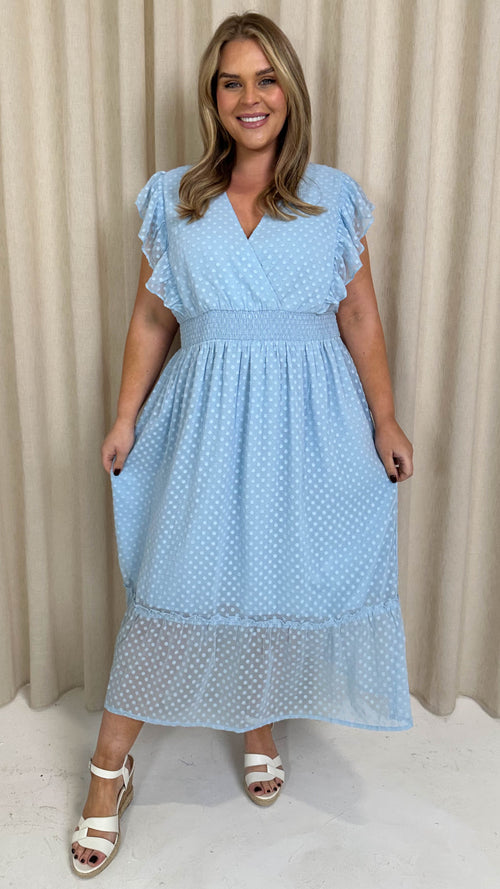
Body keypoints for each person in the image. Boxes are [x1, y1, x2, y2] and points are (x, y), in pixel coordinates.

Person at [71, 10, 414, 878]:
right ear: (213, 97)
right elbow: (153, 318)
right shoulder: (175, 198)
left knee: (272, 573)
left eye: (265, 79)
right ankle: (109, 768)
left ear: (289, 91)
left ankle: (257, 723)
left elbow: (360, 316)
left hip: (308, 422)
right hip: (207, 420)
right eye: (232, 82)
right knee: (176, 584)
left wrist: (384, 417)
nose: (249, 96)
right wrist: (124, 415)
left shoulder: (332, 198)